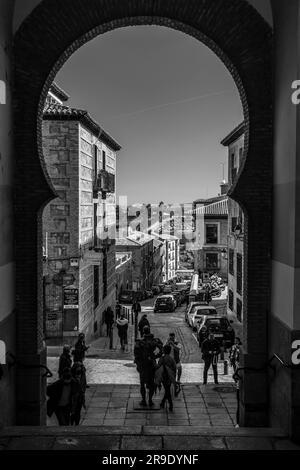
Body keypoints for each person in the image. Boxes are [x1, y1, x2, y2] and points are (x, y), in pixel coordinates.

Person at [134, 325, 163, 406]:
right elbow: (161, 349)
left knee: (142, 383)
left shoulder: (140, 342)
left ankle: (144, 400)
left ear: (143, 332)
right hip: (151, 364)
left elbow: (136, 355)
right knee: (151, 383)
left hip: (143, 365)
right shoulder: (154, 341)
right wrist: (155, 356)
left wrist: (138, 362)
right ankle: (150, 400)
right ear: (149, 331)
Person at [155, 344, 177, 411]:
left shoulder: (162, 358)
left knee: (167, 391)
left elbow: (158, 367)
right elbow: (174, 368)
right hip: (170, 377)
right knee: (167, 390)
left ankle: (170, 405)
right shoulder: (171, 359)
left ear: (164, 351)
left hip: (164, 376)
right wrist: (174, 377)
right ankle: (163, 402)